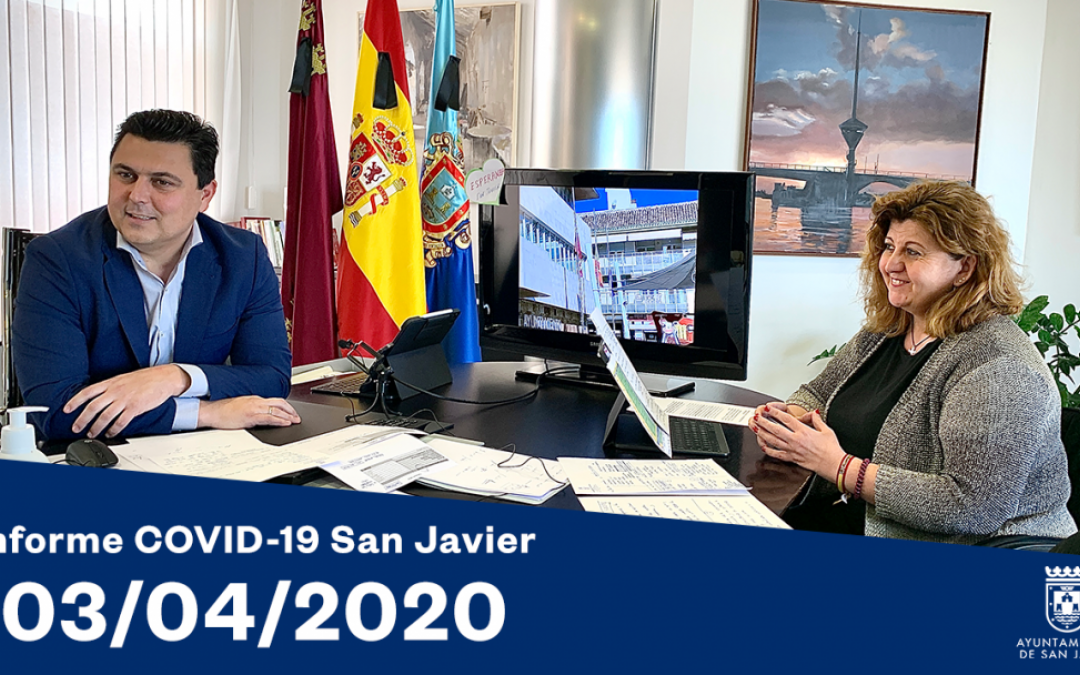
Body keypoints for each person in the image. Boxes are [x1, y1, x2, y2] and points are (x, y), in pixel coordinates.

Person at [750, 181, 1075, 544]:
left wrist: (837, 466)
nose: (891, 264)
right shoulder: (887, 331)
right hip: (850, 518)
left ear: (965, 267)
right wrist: (790, 421)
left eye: (913, 252)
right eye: (889, 247)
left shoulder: (1001, 368)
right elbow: (816, 392)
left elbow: (972, 507)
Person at [12, 109, 301, 442]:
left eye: (162, 182)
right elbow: (55, 410)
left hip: (205, 455)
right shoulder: (57, 259)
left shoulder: (242, 256)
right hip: (95, 456)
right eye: (125, 175)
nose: (137, 196)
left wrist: (176, 378)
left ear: (205, 195)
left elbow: (271, 377)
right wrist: (206, 412)